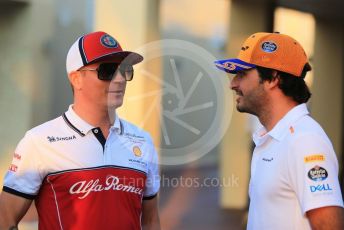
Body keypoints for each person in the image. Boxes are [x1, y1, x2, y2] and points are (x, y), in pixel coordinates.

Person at [0, 31, 161, 230]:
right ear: (76, 79)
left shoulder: (142, 141)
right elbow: (5, 219)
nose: (120, 79)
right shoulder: (39, 142)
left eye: (125, 69)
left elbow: (151, 221)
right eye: (108, 71)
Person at [215, 32, 344, 229]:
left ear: (273, 78)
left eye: (242, 74)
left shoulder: (304, 140)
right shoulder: (274, 137)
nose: (233, 84)